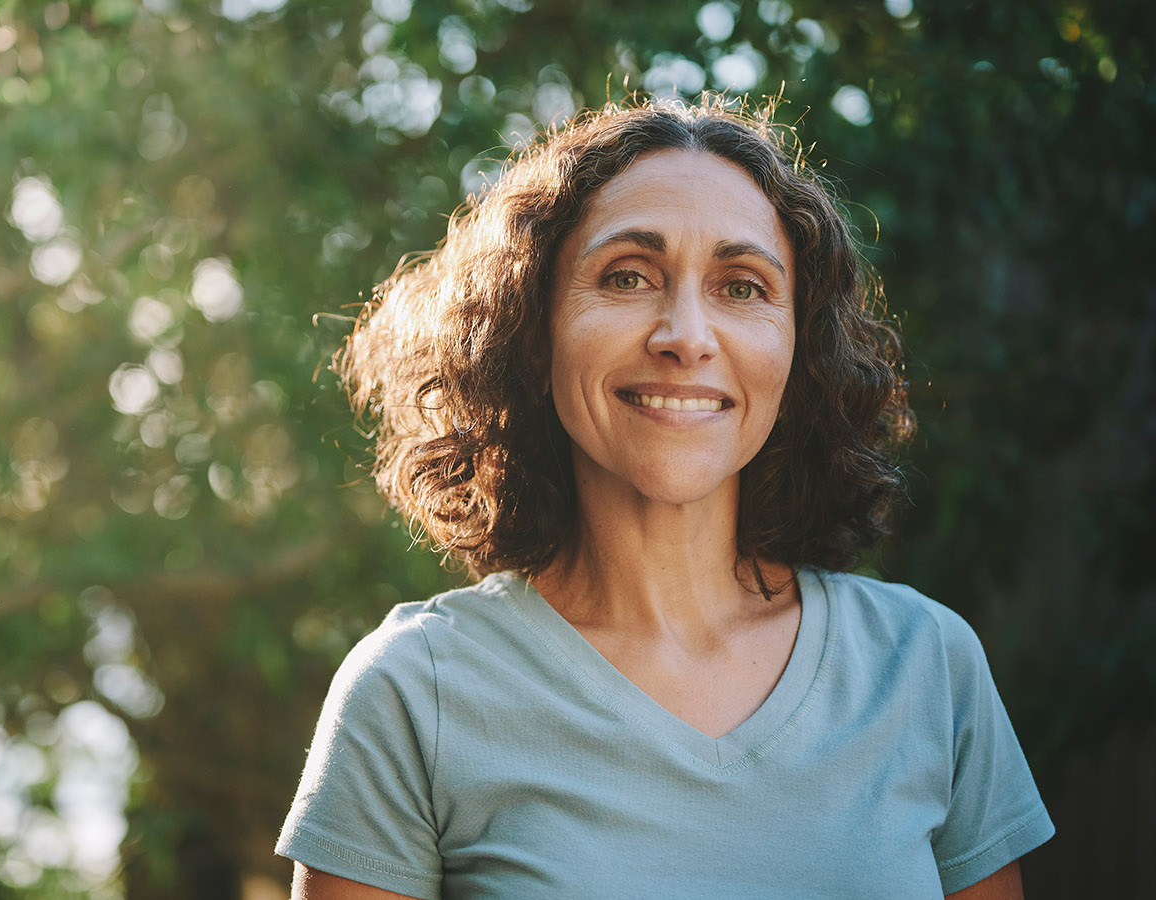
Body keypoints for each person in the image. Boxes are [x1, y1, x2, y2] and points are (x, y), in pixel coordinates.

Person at [274, 99, 1054, 899]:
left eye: (742, 287)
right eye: (627, 277)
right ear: (533, 332)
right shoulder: (415, 692)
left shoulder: (925, 666)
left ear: (798, 350)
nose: (686, 335)